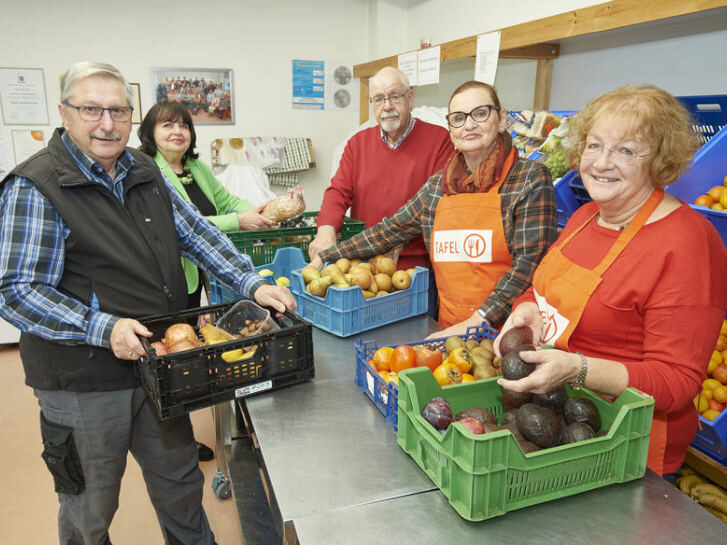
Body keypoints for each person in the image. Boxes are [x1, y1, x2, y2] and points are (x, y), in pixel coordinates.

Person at [0, 61, 296, 545]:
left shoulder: (144, 170)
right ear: (64, 113)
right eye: (91, 109)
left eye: (118, 110)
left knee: (179, 480)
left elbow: (196, 232)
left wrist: (249, 282)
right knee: (89, 504)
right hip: (83, 382)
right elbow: (15, 290)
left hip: (159, 365)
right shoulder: (36, 186)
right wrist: (103, 328)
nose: (107, 123)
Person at [495, 84, 727, 478]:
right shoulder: (587, 217)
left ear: (660, 160)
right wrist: (526, 309)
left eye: (625, 150)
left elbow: (677, 383)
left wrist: (576, 369)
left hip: (628, 448)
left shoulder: (688, 242)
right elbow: (542, 288)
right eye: (594, 145)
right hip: (565, 427)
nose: (602, 163)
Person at [312, 81, 558, 333]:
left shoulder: (529, 178)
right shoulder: (437, 187)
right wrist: (327, 256)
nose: (469, 125)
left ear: (502, 118)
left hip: (508, 334)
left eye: (481, 114)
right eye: (459, 118)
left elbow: (530, 266)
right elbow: (387, 231)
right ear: (450, 129)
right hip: (447, 332)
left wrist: (477, 321)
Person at [138, 101, 275, 462]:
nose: (177, 132)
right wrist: (238, 222)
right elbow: (185, 227)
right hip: (165, 278)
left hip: (195, 275)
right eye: (167, 125)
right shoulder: (148, 172)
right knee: (168, 356)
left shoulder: (196, 168)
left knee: (184, 350)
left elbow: (226, 200)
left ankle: (178, 434)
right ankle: (171, 441)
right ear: (150, 133)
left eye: (183, 125)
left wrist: (257, 211)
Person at [308, 66, 454, 270]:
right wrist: (325, 230)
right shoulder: (357, 144)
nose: (387, 106)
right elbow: (338, 192)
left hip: (417, 266)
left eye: (394, 96)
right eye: (378, 99)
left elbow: (437, 205)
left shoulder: (439, 140)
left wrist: (397, 240)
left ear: (409, 98)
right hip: (364, 262)